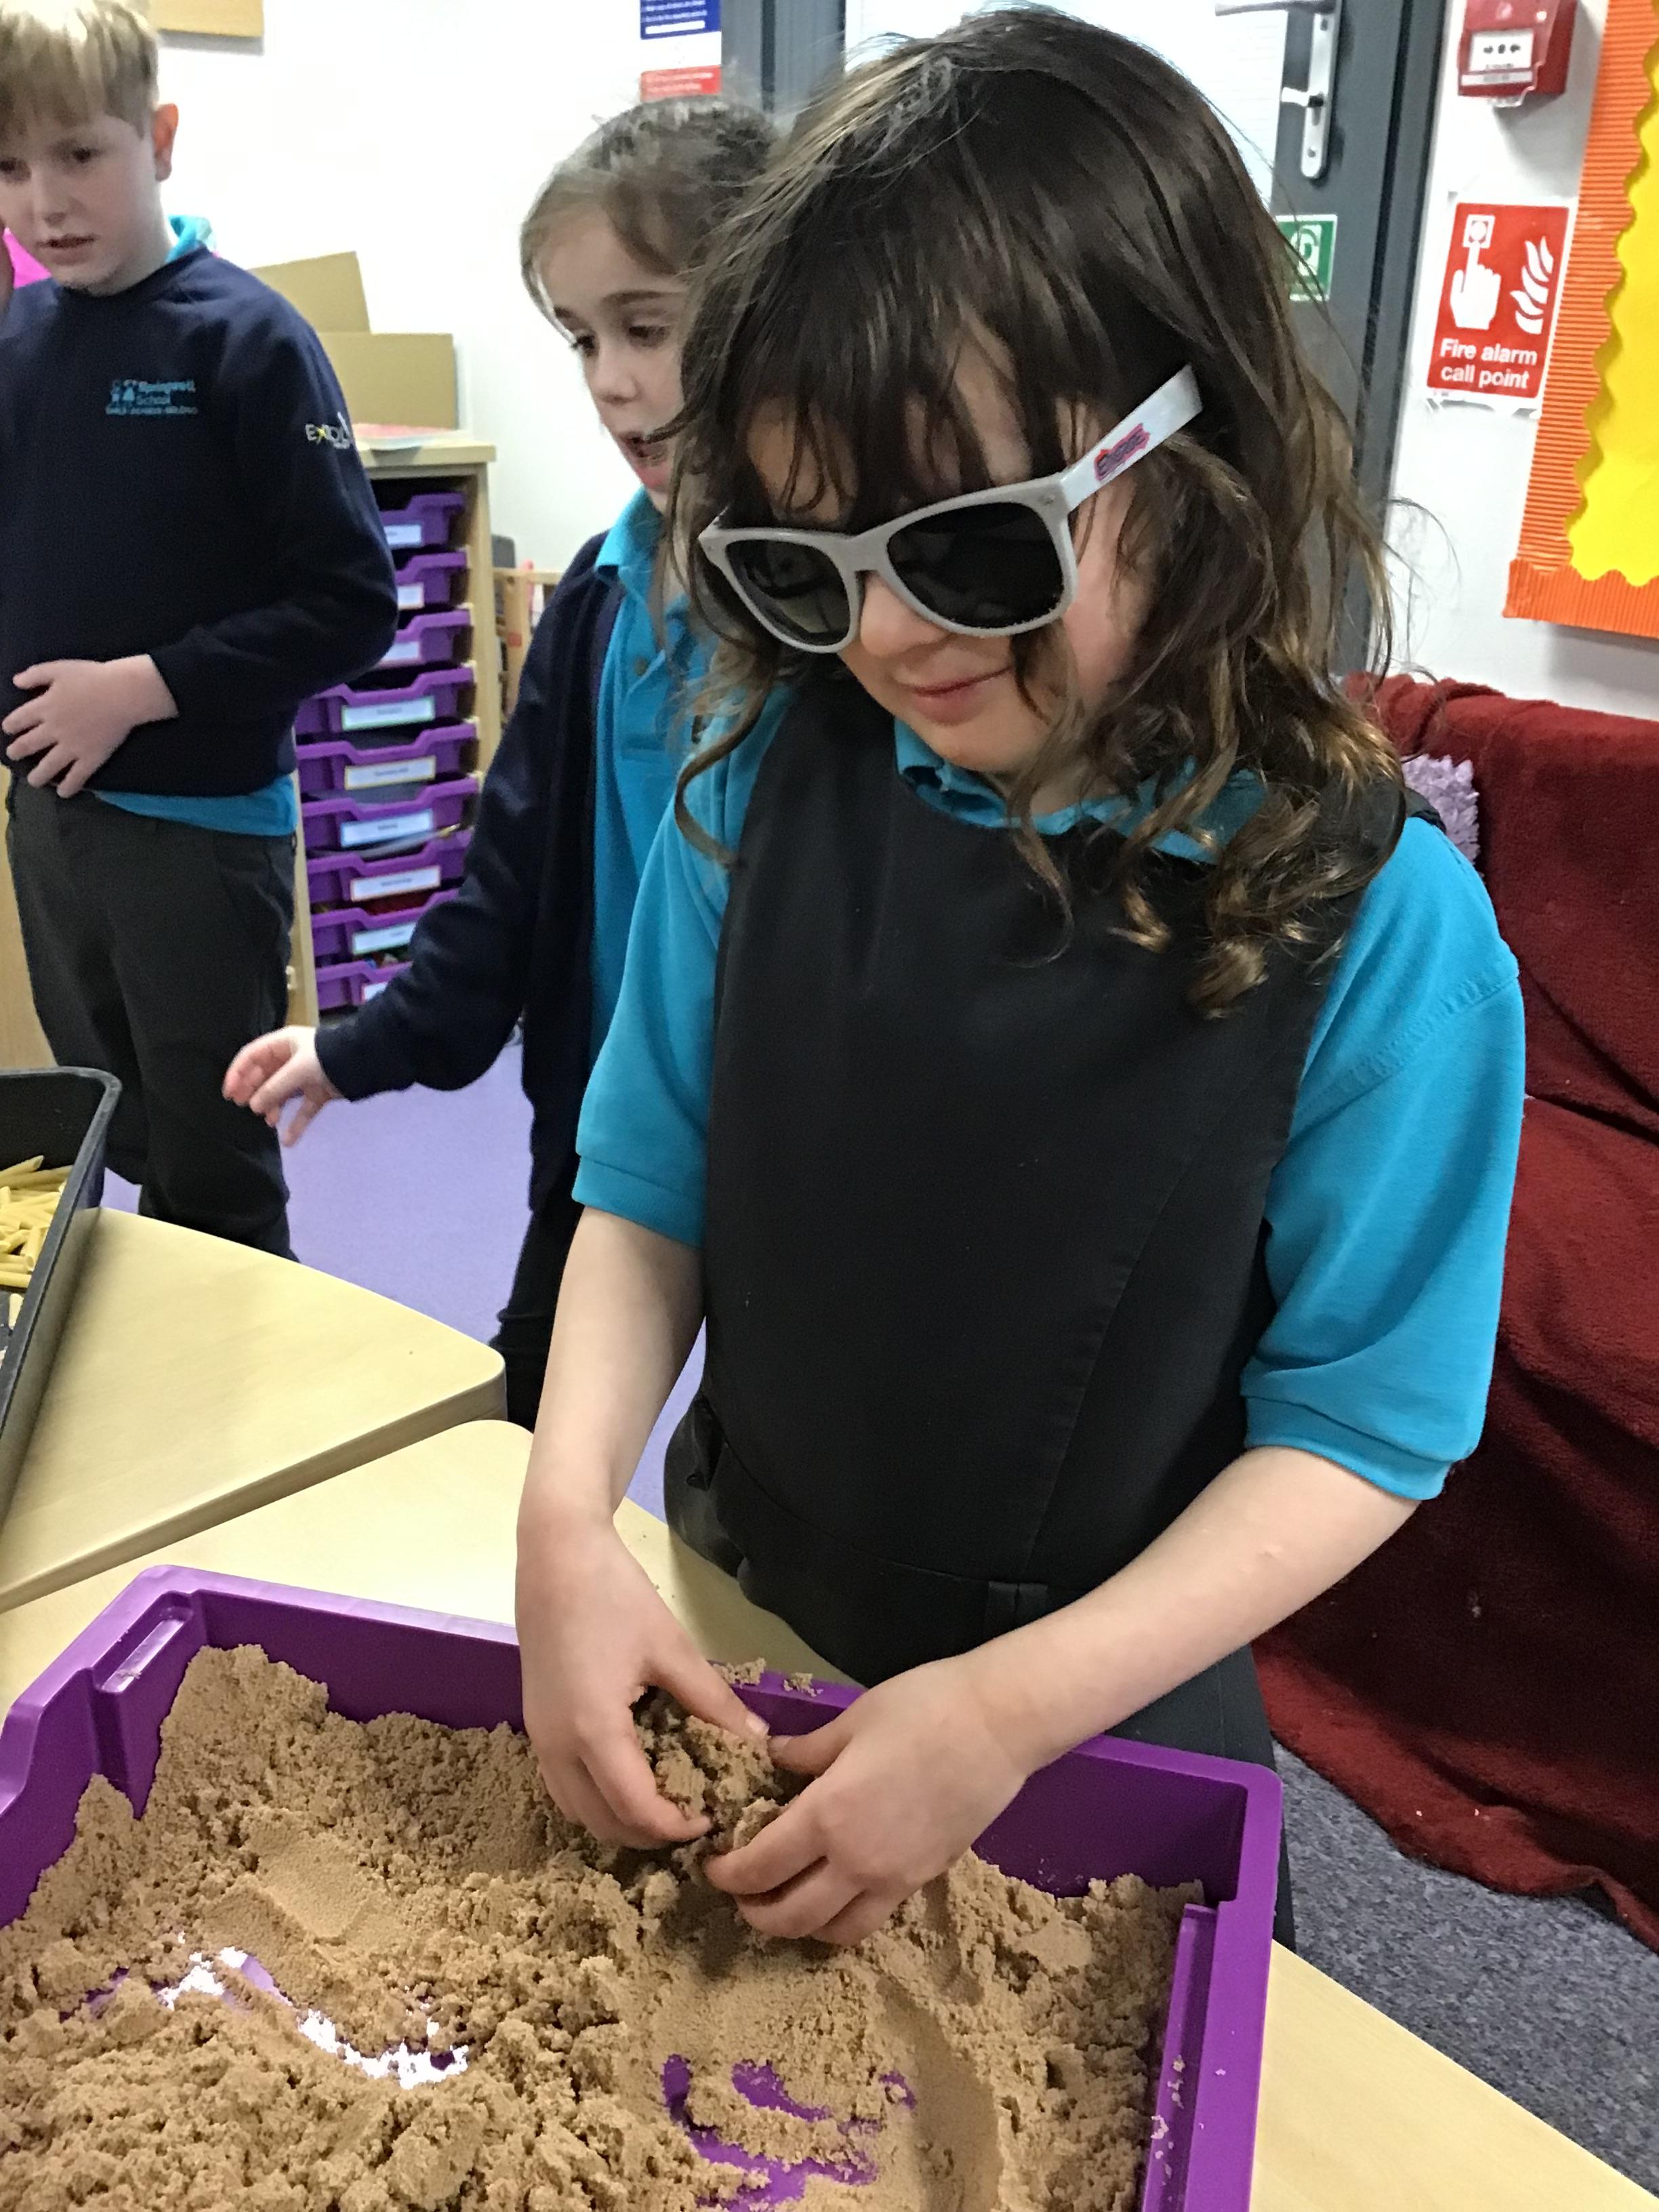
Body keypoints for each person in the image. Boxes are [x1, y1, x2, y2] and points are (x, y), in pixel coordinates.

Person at [513, 10, 1526, 1950]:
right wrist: (568, 1513)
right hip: (749, 1608)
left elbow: (1364, 1432)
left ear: (1196, 451)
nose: (890, 634)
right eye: (806, 566)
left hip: (1093, 1716)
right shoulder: (764, 788)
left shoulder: (1383, 938)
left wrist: (1007, 1710)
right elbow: (647, 1190)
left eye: (976, 551)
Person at [225, 97, 776, 1421]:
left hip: (797, 1157)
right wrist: (361, 1045)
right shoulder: (599, 596)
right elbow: (508, 890)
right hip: (608, 1130)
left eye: (646, 327)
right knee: (527, 1423)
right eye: (583, 338)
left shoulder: (863, 627)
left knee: (768, 1479)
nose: (609, 381)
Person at [0, 0, 397, 1256]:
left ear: (159, 139)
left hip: (199, 834)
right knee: (108, 1138)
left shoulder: (248, 341)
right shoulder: (17, 340)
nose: (45, 201)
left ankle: (248, 1374)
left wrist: (142, 686)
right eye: (8, 167)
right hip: (52, 821)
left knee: (214, 1170)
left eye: (80, 154)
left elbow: (351, 605)